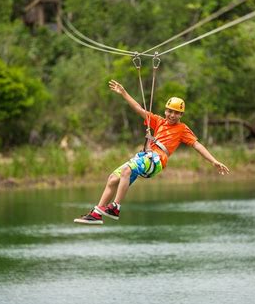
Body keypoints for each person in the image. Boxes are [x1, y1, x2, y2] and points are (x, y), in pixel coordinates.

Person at [74, 79, 230, 225]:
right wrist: (123, 92)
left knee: (127, 170)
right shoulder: (158, 121)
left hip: (157, 160)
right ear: (165, 110)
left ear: (181, 115)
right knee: (113, 178)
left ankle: (115, 207)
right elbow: (138, 108)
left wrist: (213, 160)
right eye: (170, 111)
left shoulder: (182, 129)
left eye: (176, 113)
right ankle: (97, 213)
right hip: (146, 156)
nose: (172, 115)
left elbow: (197, 145)